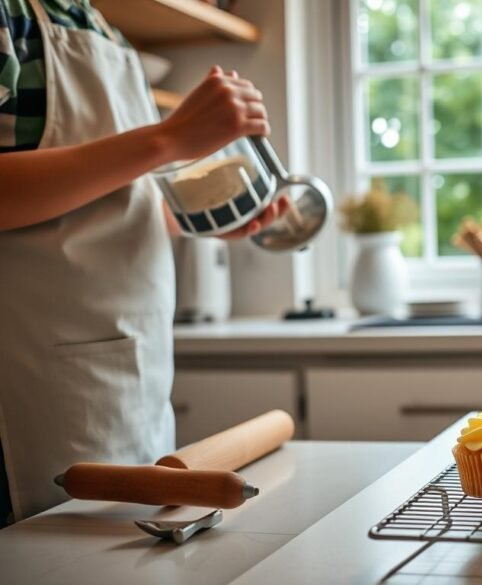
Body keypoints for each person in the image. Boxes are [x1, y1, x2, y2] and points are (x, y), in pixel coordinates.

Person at [0, 0, 287, 524]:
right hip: (34, 387)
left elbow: (122, 202)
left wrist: (203, 218)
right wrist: (169, 138)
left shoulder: (102, 29)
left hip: (135, 379)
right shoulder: (10, 17)